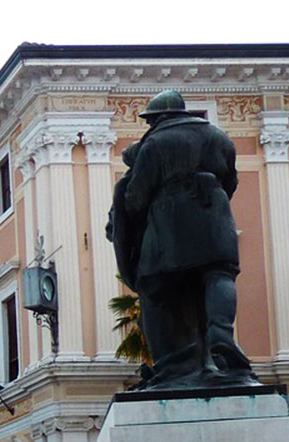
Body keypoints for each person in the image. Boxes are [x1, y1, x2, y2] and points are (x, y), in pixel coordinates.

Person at [107, 89, 258, 391]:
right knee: (219, 275)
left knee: (154, 290)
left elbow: (137, 198)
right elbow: (231, 181)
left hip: (169, 221)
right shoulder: (220, 138)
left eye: (150, 120)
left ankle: (172, 363)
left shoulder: (156, 143)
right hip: (215, 215)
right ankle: (221, 335)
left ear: (159, 117)